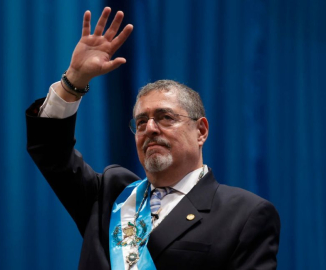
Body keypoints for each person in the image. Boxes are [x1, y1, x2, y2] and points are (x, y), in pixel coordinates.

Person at [26, 7, 280, 270]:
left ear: (201, 131)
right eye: (140, 122)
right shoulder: (108, 196)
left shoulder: (244, 214)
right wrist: (74, 81)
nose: (150, 128)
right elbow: (50, 150)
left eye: (165, 117)